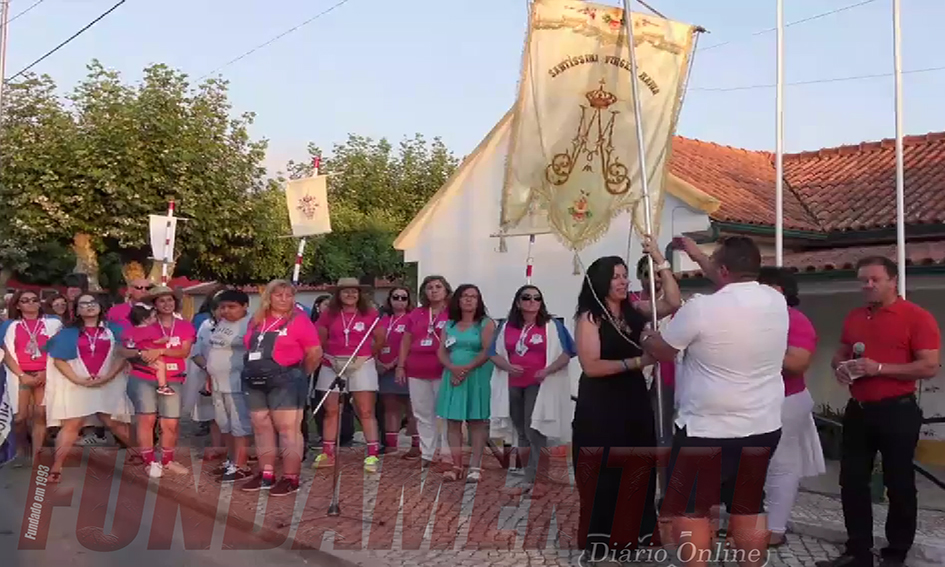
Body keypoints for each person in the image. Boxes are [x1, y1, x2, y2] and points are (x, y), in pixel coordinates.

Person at [642, 236, 786, 567]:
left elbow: (664, 350)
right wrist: (696, 255)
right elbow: (729, 281)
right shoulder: (773, 300)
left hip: (707, 429)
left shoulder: (701, 308)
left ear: (723, 270)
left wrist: (647, 336)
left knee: (691, 509)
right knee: (748, 504)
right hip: (762, 425)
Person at [817, 256, 940, 567]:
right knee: (852, 481)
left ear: (893, 280)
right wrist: (842, 368)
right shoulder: (856, 317)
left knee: (898, 483)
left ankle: (895, 555)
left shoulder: (917, 317)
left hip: (897, 411)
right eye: (863, 280)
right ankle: (858, 551)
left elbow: (929, 366)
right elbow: (840, 354)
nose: (867, 285)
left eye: (874, 279)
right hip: (859, 410)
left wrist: (880, 368)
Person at [572, 253, 667, 559]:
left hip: (634, 399)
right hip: (601, 403)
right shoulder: (590, 317)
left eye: (625, 275)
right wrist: (640, 361)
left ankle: (634, 536)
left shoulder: (634, 310)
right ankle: (601, 541)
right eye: (616, 276)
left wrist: (661, 262)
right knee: (605, 472)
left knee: (638, 466)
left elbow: (673, 303)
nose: (623, 281)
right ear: (601, 281)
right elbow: (592, 366)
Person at [758, 267, 825, 547]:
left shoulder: (795, 320)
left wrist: (757, 351)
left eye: (763, 288)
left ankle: (775, 528)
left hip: (786, 399)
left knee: (781, 465)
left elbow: (798, 363)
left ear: (780, 291)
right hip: (755, 400)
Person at [489, 284, 576, 492]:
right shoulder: (506, 326)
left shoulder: (551, 325)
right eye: (526, 297)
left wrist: (547, 370)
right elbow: (493, 353)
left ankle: (539, 478)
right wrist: (508, 366)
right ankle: (530, 476)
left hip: (540, 384)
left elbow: (569, 352)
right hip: (512, 383)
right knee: (521, 431)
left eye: (536, 298)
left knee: (535, 429)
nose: (532, 302)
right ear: (518, 302)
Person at [239, 280, 322, 495]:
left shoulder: (300, 321)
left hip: (286, 379)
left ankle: (290, 477)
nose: (284, 299)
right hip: (255, 378)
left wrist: (300, 374)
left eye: (289, 295)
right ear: (269, 296)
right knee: (261, 425)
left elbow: (314, 352)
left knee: (288, 430)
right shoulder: (256, 321)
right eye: (279, 295)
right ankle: (266, 473)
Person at [44, 293, 134, 482]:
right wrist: (78, 380)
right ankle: (56, 466)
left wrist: (107, 377)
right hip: (77, 384)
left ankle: (144, 454)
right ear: (76, 310)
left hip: (108, 383)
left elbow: (122, 356)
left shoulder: (115, 330)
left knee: (113, 422)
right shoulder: (68, 333)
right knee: (72, 425)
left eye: (93, 302)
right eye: (83, 304)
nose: (89, 306)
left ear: (101, 306)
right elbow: (58, 359)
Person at [119, 285, 196, 478]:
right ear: (154, 304)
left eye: (170, 300)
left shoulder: (185, 325)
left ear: (175, 302)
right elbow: (123, 350)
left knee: (170, 423)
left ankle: (168, 461)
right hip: (143, 376)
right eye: (161, 300)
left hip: (173, 378)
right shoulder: (144, 325)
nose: (167, 304)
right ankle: (150, 462)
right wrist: (140, 353)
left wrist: (160, 351)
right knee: (146, 420)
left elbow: (184, 351)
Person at [312, 278, 384, 472]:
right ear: (338, 294)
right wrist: (331, 358)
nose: (350, 295)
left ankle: (372, 454)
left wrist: (366, 356)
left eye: (354, 291)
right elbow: (321, 338)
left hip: (361, 363)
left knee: (366, 410)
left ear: (360, 294)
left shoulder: (370, 314)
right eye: (345, 291)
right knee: (331, 410)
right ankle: (328, 452)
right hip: (332, 363)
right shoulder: (329, 314)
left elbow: (379, 339)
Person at [192, 290, 254, 483]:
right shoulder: (221, 323)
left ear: (245, 306)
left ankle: (242, 465)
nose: (226, 311)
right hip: (218, 383)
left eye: (232, 307)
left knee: (239, 426)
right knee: (224, 424)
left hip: (236, 383)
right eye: (223, 307)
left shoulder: (249, 325)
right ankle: (232, 460)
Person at [436, 284, 495, 482]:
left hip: (476, 375)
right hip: (452, 375)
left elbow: (487, 350)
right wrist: (452, 368)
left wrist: (466, 369)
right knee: (452, 421)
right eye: (465, 296)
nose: (469, 300)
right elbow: (442, 351)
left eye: (474, 297)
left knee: (476, 421)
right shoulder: (449, 325)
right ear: (458, 300)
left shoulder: (486, 323)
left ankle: (476, 466)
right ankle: (456, 464)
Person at [396, 275, 453, 469]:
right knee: (422, 413)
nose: (434, 290)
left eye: (438, 287)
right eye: (430, 287)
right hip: (417, 369)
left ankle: (447, 453)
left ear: (446, 290)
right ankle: (427, 453)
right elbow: (406, 340)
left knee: (445, 413)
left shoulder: (453, 312)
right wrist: (401, 365)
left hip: (442, 369)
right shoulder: (417, 313)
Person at [2, 290, 63, 464]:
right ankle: (21, 449)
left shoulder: (53, 324)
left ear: (39, 303)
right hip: (21, 375)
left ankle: (37, 454)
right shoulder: (12, 326)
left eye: (34, 299)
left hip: (45, 373)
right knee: (20, 417)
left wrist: (46, 372)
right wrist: (22, 375)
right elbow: (7, 354)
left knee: (40, 413)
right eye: (25, 300)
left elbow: (58, 349)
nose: (30, 303)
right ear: (18, 305)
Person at [376, 287, 420, 456]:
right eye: (396, 297)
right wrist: (379, 362)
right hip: (383, 369)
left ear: (409, 301)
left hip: (405, 368)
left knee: (411, 408)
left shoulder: (411, 319)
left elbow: (411, 344)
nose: (399, 301)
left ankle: (416, 445)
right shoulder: (383, 320)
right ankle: (391, 444)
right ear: (390, 299)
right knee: (390, 407)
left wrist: (395, 363)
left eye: (404, 298)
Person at [127, 305, 174, 396]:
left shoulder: (131, 330)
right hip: (150, 354)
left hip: (137, 355)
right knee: (160, 366)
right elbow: (156, 340)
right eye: (153, 317)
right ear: (145, 319)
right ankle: (163, 386)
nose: (155, 319)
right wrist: (165, 339)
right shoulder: (150, 330)